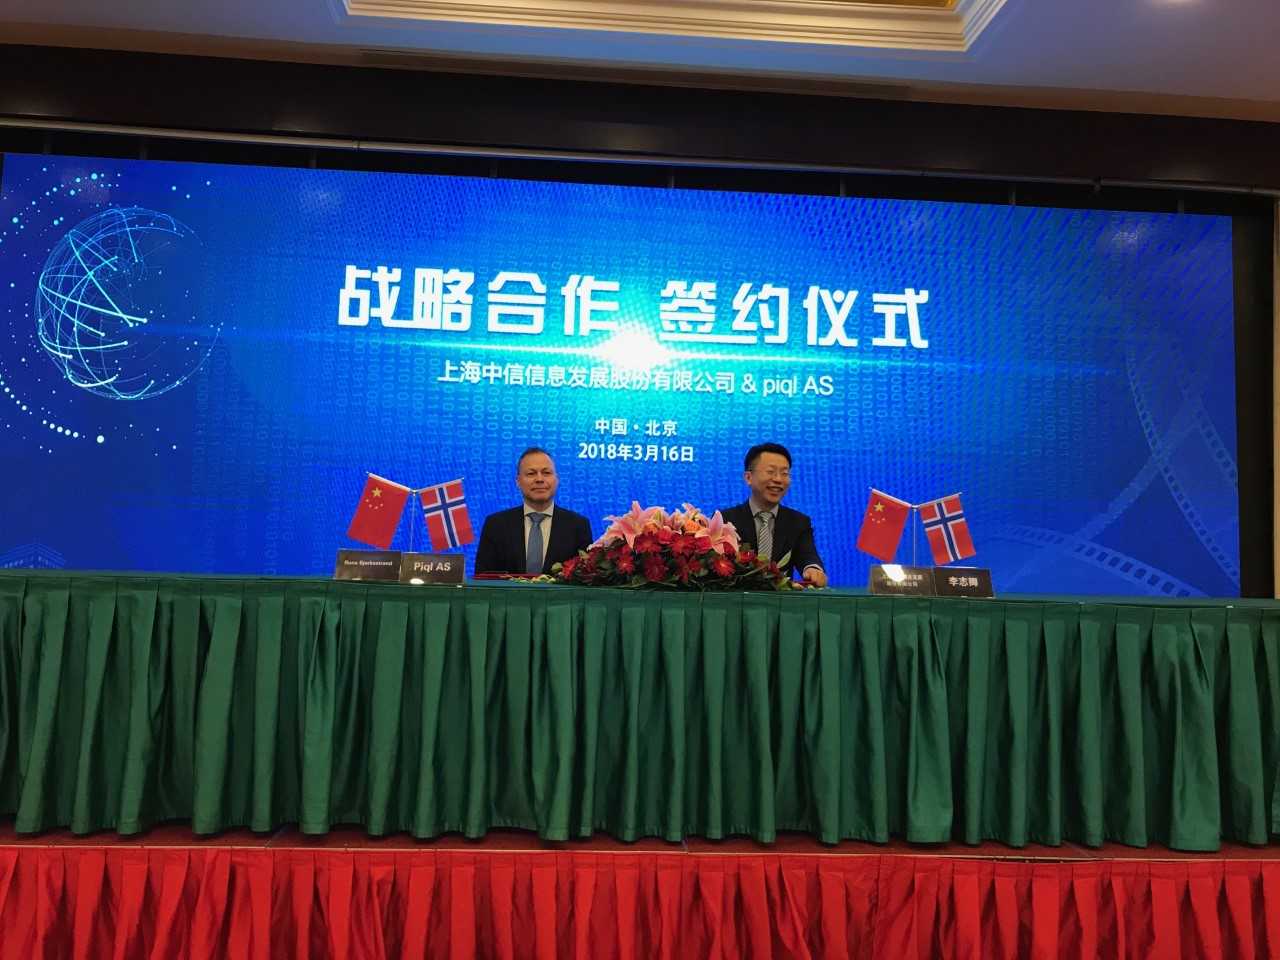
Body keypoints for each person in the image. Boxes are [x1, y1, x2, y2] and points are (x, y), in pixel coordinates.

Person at [720, 442, 828, 587]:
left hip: (781, 600)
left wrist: (813, 569)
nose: (778, 479)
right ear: (748, 477)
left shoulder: (798, 522)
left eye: (785, 473)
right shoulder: (725, 520)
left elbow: (808, 556)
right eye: (770, 472)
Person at [474, 447, 593, 576]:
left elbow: (585, 578)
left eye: (546, 473)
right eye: (531, 473)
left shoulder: (578, 526)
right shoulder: (496, 525)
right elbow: (483, 578)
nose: (539, 479)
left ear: (556, 480)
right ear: (518, 481)